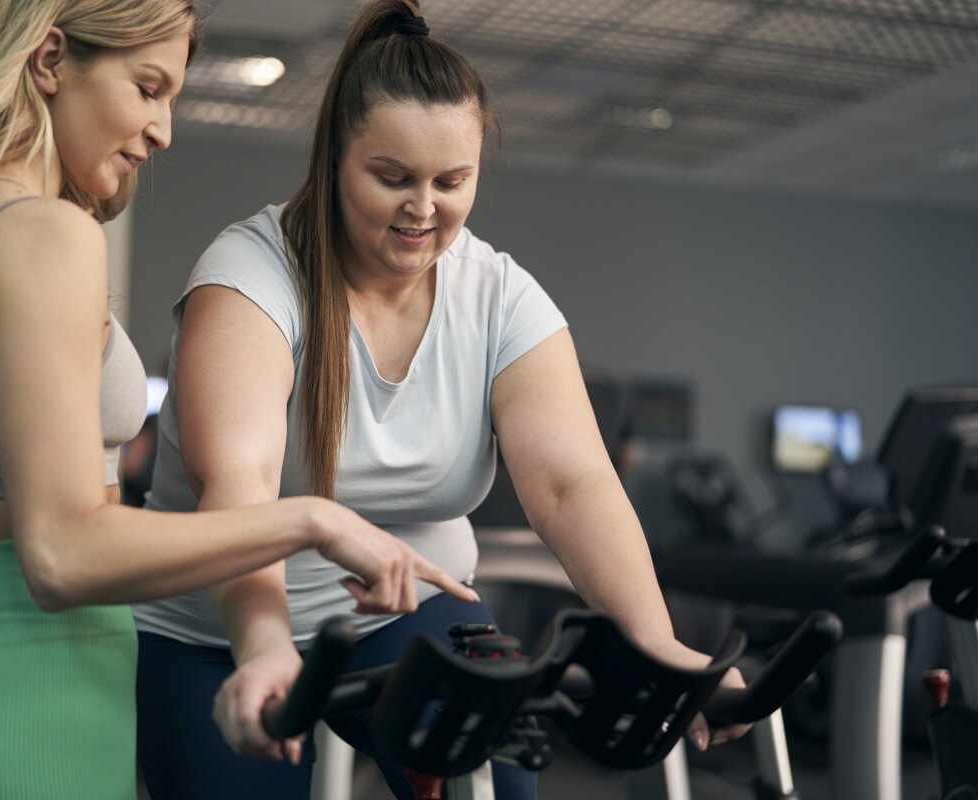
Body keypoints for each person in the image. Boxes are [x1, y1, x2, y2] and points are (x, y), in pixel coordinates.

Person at [0, 1, 475, 798]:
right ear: (51, 59)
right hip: (15, 722)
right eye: (147, 87)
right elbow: (60, 555)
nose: (161, 130)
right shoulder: (47, 237)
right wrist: (316, 519)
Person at [133, 1, 750, 798]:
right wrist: (264, 649)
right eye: (392, 177)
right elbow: (239, 488)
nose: (423, 208)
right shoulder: (251, 278)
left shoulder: (498, 295)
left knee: (496, 783)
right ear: (334, 161)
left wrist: (658, 646)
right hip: (215, 629)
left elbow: (572, 486)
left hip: (406, 617)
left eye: (451, 181)